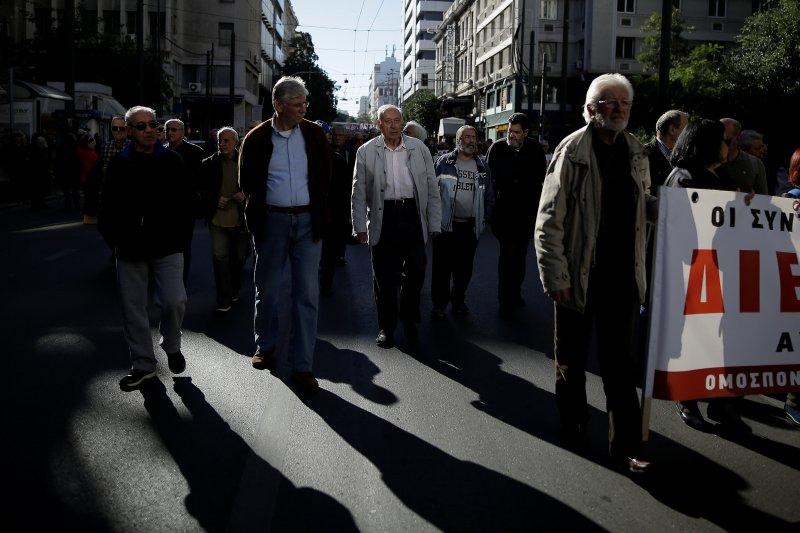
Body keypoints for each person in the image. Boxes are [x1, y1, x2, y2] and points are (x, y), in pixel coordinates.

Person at [534, 73, 656, 473]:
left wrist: (680, 208)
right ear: (590, 109)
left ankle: (627, 446)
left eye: (624, 102)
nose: (618, 108)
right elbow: (549, 221)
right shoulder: (572, 151)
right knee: (571, 360)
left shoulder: (636, 151)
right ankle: (573, 423)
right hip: (578, 278)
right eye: (609, 101)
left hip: (623, 278)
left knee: (621, 367)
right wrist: (556, 278)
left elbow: (645, 203)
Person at [238, 76, 331, 395]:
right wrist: (260, 214)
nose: (304, 108)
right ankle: (265, 346)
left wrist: (320, 213)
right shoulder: (256, 138)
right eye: (297, 103)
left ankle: (303, 366)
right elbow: (247, 181)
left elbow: (325, 176)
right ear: (278, 105)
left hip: (307, 223)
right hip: (272, 222)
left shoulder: (314, 134)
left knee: (307, 295)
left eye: (305, 103)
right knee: (268, 289)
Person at [664, 119, 754, 436]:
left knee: (724, 341)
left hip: (720, 271)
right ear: (707, 144)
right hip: (694, 273)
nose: (730, 147)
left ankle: (722, 402)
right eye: (725, 141)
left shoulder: (720, 176)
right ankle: (688, 400)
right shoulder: (685, 178)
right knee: (696, 337)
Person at [98, 106, 194, 391]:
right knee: (133, 309)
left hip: (168, 245)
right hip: (130, 249)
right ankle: (143, 364)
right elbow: (106, 207)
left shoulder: (172, 160)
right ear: (130, 131)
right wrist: (116, 241)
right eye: (141, 126)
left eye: (153, 124)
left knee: (175, 301)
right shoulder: (120, 163)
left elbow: (187, 202)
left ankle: (172, 344)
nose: (150, 130)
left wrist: (181, 238)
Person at [352, 104, 442, 349]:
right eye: (388, 121)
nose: (393, 125)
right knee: (384, 277)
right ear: (379, 124)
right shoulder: (366, 151)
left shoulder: (419, 148)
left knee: (417, 271)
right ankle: (386, 327)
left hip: (412, 214)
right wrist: (359, 226)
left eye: (397, 120)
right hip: (384, 216)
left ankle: (410, 319)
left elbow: (432, 188)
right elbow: (358, 191)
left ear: (402, 122)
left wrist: (434, 222)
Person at [486, 112, 547, 317]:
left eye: (516, 132)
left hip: (526, 214)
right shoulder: (497, 148)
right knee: (507, 257)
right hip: (504, 214)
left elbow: (541, 181)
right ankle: (504, 299)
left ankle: (516, 291)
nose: (511, 135)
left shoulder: (535, 150)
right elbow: (488, 181)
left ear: (526, 132)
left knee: (520, 256)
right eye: (509, 131)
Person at [431, 125, 492, 319]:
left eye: (473, 137)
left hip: (469, 227)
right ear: (458, 140)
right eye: (467, 137)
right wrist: (433, 221)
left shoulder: (482, 166)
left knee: (464, 269)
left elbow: (489, 196)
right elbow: (432, 193)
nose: (471, 140)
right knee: (441, 269)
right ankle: (439, 305)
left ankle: (458, 301)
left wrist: (484, 218)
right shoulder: (443, 162)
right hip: (445, 226)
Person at [199, 127, 250, 313]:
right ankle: (223, 299)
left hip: (241, 220)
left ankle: (234, 287)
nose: (222, 144)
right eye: (220, 140)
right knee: (220, 258)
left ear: (236, 142)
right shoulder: (208, 164)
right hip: (218, 220)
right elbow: (200, 190)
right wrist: (214, 199)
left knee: (239, 258)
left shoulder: (246, 163)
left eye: (227, 140)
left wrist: (245, 195)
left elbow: (259, 186)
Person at [165, 118, 206, 286]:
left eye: (173, 129)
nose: (170, 133)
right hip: (165, 206)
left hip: (186, 206)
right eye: (167, 129)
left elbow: (201, 179)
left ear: (182, 132)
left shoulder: (195, 152)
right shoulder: (161, 151)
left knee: (183, 244)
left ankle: (181, 279)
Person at [318, 120, 352, 296]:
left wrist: (346, 216)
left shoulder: (338, 160)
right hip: (310, 215)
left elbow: (344, 192)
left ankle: (325, 285)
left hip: (331, 216)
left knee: (328, 253)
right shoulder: (301, 159)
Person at [719, 118, 768, 195]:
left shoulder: (755, 164)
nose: (720, 143)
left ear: (737, 138)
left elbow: (763, 198)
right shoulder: (711, 162)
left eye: (726, 140)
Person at [644, 109, 688, 192]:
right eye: (686, 129)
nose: (689, 134)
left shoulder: (685, 157)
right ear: (672, 130)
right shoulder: (643, 155)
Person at [75, 131, 100, 225]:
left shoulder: (82, 151)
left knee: (89, 197)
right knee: (91, 198)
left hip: (86, 177)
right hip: (90, 177)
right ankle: (89, 217)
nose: (94, 145)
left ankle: (88, 217)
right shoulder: (89, 153)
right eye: (93, 143)